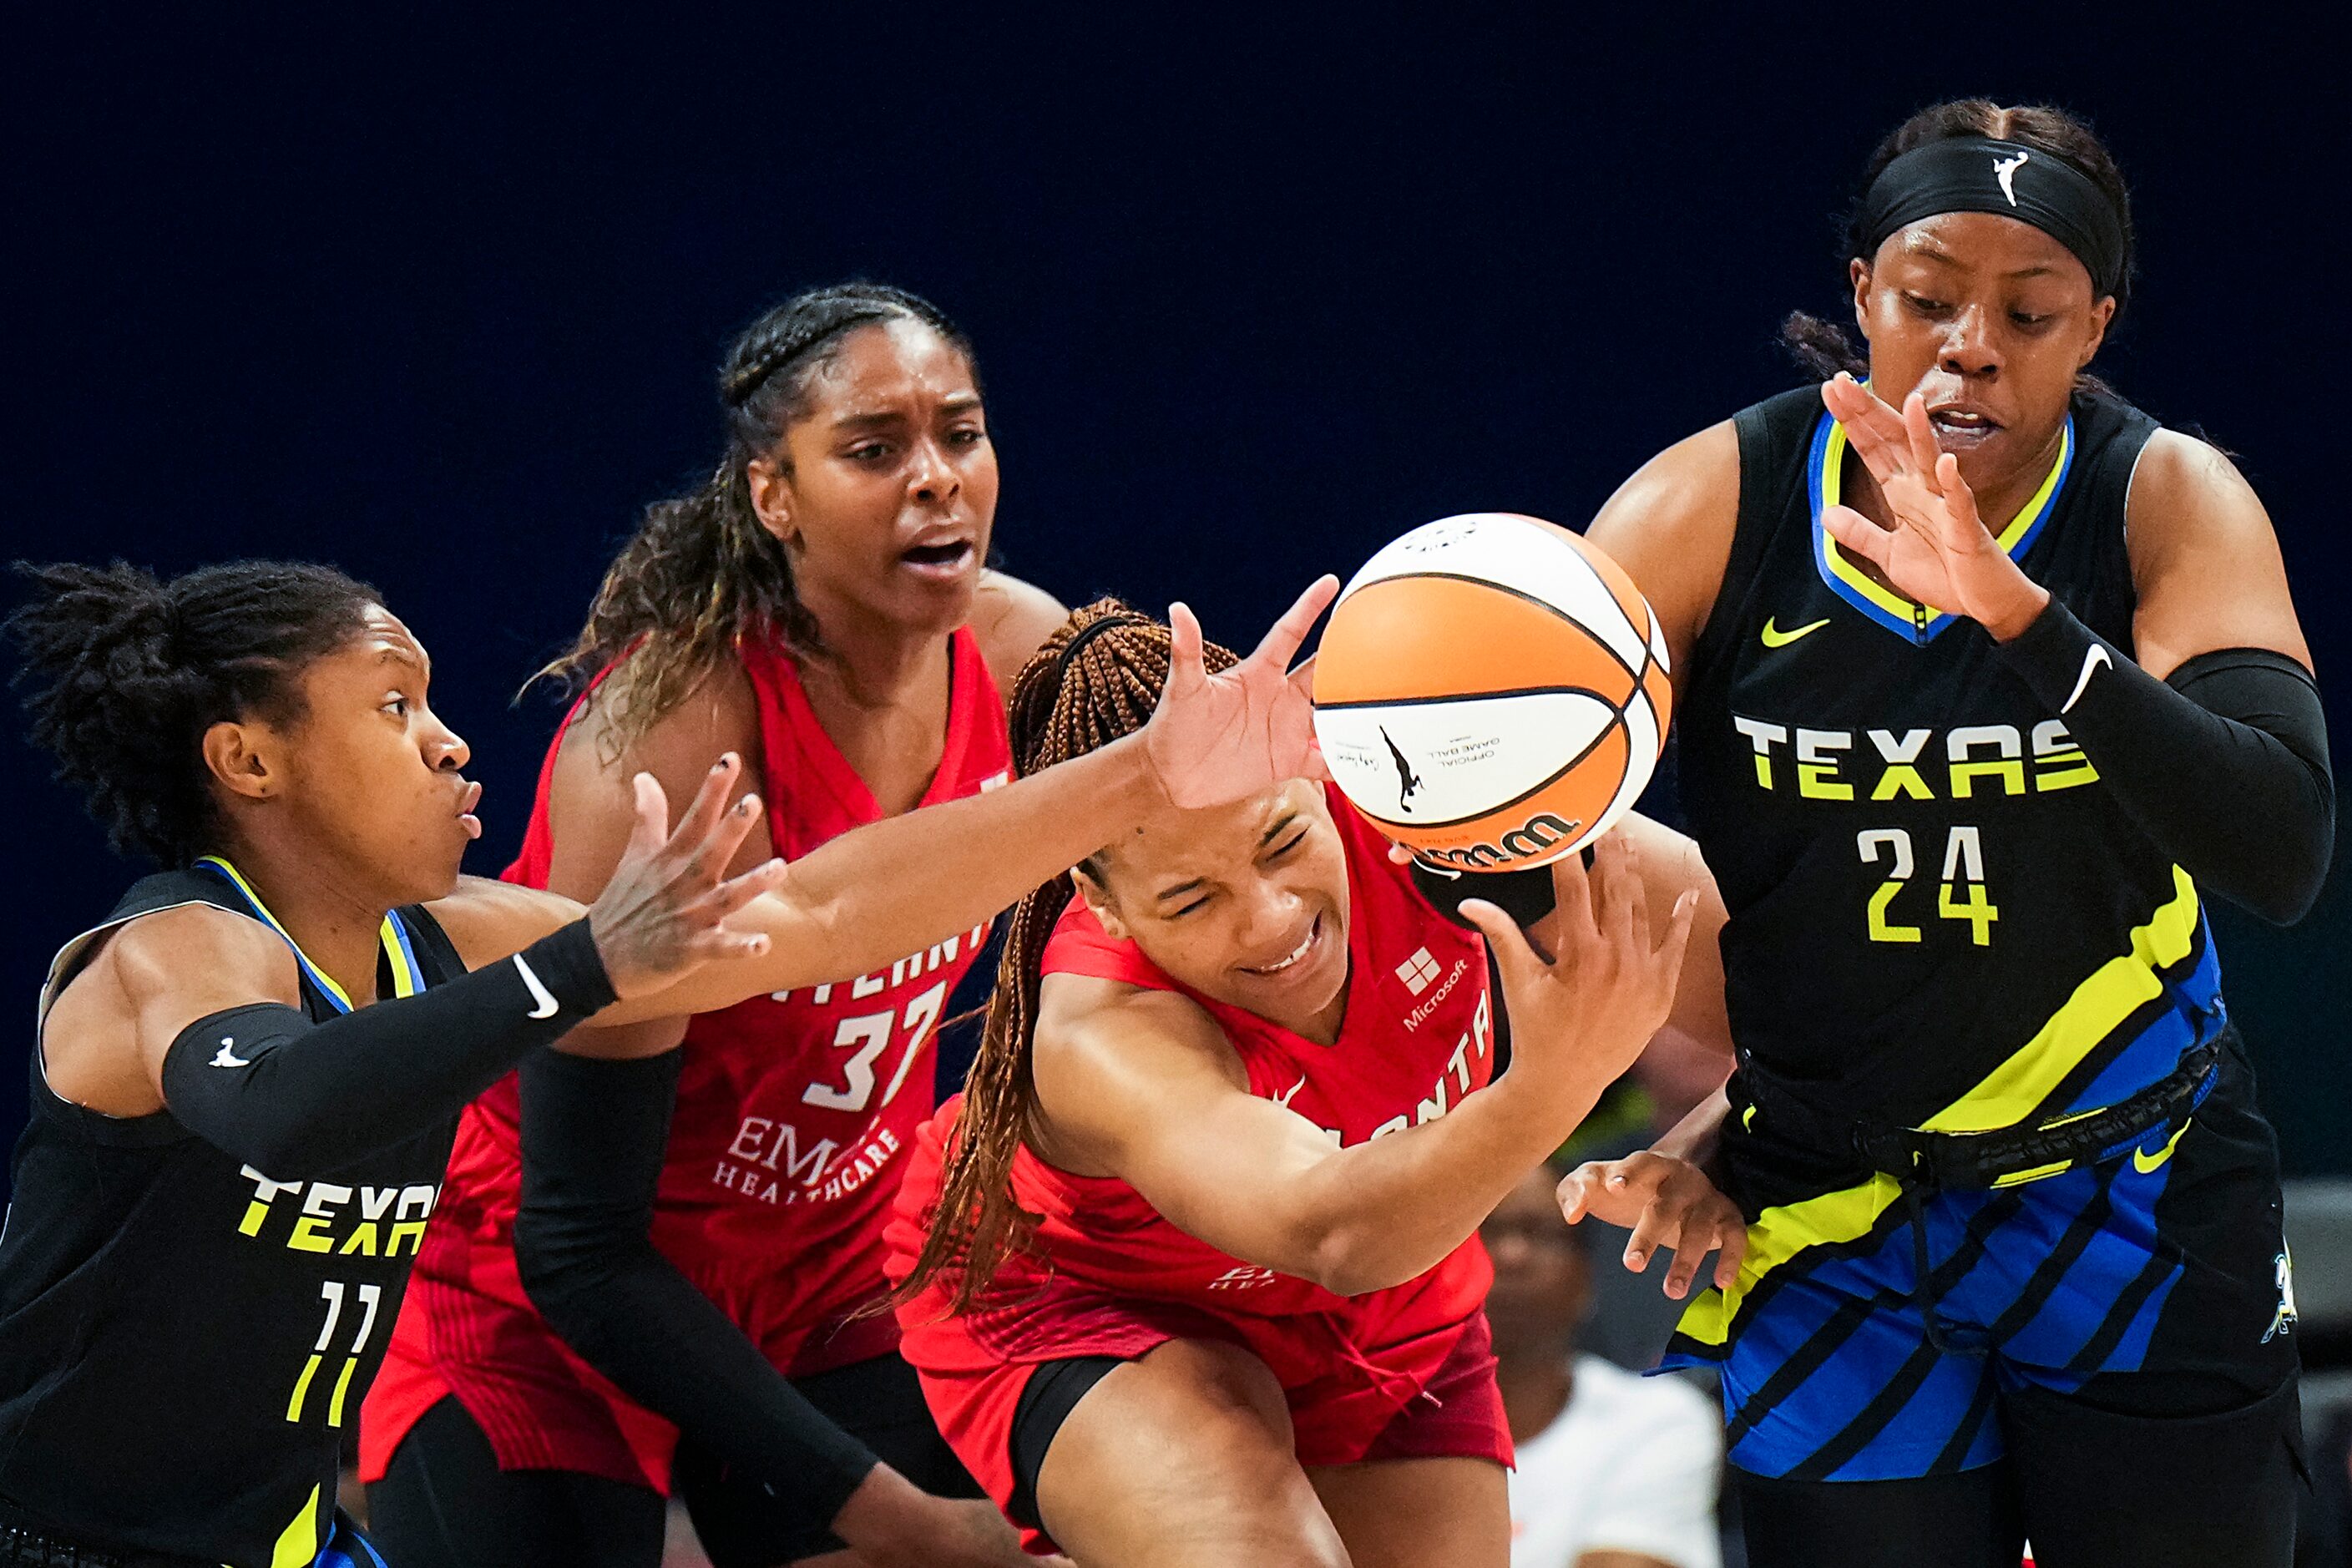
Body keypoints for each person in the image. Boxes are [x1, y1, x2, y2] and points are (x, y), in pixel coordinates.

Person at [0, 555, 1333, 1568]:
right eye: (394, 704)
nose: (450, 740)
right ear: (247, 758)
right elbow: (282, 1108)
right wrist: (587, 964)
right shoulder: (174, 949)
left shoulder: (456, 940)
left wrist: (1140, 776)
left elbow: (812, 917)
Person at [1571, 99, 2333, 1568]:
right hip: (1837, 1220)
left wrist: (2022, 620)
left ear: (2092, 326)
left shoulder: (2160, 500)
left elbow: (2281, 844)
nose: (1968, 343)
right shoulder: (1704, 507)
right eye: (1925, 300)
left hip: (2134, 1195)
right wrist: (1708, 1120)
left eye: (2028, 311)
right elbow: (1532, 823)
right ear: (1861, 292)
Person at [362, 283, 1071, 1568]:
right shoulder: (675, 743)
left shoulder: (1028, 657)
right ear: (772, 495)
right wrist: (905, 1520)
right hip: (537, 1301)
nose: (937, 481)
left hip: (827, 1285)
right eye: (873, 449)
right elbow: (580, 1244)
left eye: (960, 434)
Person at [885, 601, 1728, 1568]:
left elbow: (1771, 977)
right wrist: (1555, 1084)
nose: (1271, 922)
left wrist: (1718, 1137)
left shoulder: (1429, 815)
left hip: (1392, 1296)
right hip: (1086, 1294)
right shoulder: (1102, 1035)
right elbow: (1333, 1231)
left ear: (1320, 777)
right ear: (1104, 905)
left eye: (1283, 842)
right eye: (1191, 899)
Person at [1483, 1161, 1723, 1568]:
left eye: (1541, 1234)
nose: (1511, 1256)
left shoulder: (1659, 1418)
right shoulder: (1376, 1419)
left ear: (1587, 1277)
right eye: (1486, 1232)